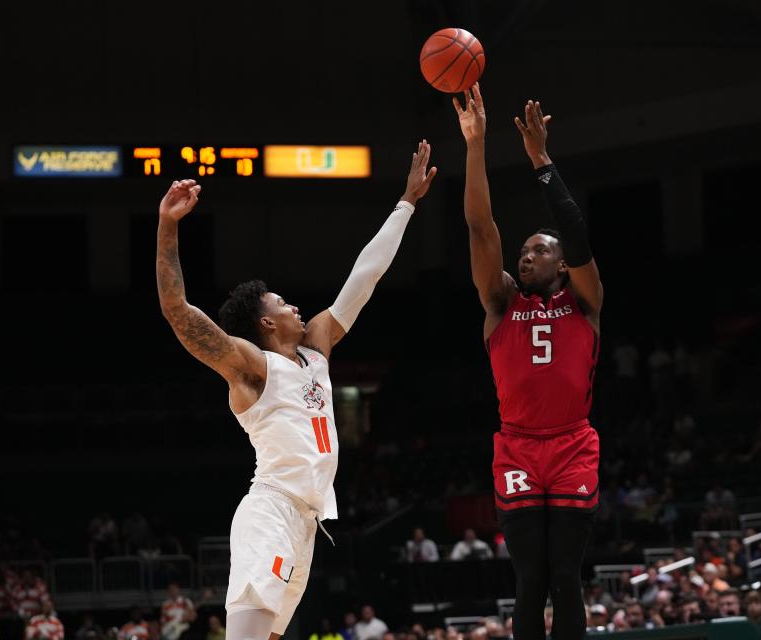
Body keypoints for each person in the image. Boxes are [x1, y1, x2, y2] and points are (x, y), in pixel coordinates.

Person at [155, 141, 437, 640]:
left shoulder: (316, 350)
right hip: (272, 511)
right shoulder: (252, 368)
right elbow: (178, 311)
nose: (295, 308)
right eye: (282, 303)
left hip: (306, 521)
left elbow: (364, 277)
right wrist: (168, 226)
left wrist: (407, 203)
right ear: (266, 321)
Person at [452, 83, 601, 640]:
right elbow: (479, 227)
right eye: (525, 251)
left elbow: (579, 237)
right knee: (528, 580)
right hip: (516, 444)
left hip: (571, 444)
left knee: (566, 577)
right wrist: (475, 145)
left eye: (540, 250)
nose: (526, 254)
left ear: (562, 265)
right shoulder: (500, 302)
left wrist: (541, 160)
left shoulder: (584, 301)